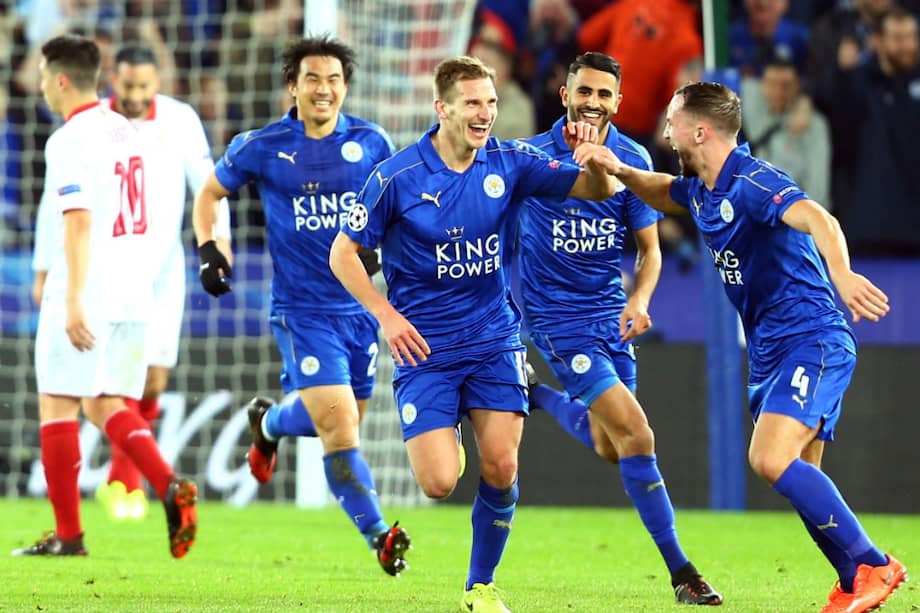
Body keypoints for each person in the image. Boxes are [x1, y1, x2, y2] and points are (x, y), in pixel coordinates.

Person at [577, 80, 905, 613]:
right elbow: (663, 192)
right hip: (772, 353)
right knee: (804, 477)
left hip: (812, 338)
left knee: (768, 458)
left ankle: (874, 564)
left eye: (672, 122)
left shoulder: (754, 181)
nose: (664, 131)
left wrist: (842, 274)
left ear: (700, 131)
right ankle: (853, 583)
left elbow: (818, 217)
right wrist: (619, 169)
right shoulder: (705, 187)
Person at [330, 55, 620, 613]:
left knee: (503, 465)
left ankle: (480, 587)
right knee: (438, 483)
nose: (485, 113)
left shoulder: (509, 161)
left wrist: (596, 159)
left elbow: (598, 191)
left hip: (493, 337)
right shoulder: (397, 177)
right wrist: (385, 315)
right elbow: (343, 254)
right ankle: (454, 424)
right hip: (426, 350)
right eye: (472, 103)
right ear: (442, 109)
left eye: (490, 101)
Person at [191, 35, 408, 576]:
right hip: (301, 311)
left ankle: (270, 424)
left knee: (345, 417)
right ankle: (380, 534)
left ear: (345, 88)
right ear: (293, 86)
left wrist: (389, 251)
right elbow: (209, 194)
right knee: (340, 429)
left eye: (334, 79)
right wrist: (211, 248)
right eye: (312, 78)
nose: (324, 89)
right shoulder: (261, 146)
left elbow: (397, 207)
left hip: (360, 309)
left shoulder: (372, 142)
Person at [517, 52, 722, 606]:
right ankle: (682, 572)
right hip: (557, 320)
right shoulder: (530, 158)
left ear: (618, 102)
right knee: (637, 434)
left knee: (613, 446)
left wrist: (640, 298)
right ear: (565, 94)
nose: (593, 102)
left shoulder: (631, 158)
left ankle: (536, 396)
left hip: (612, 317)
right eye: (584, 91)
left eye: (604, 94)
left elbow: (650, 251)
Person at [14, 34, 197, 559]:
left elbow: (77, 220)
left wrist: (69, 297)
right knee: (105, 402)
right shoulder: (128, 131)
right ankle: (167, 484)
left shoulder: (69, 139)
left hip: (89, 287)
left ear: (62, 79)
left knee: (57, 403)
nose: (44, 88)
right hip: (135, 290)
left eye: (46, 77)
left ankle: (70, 536)